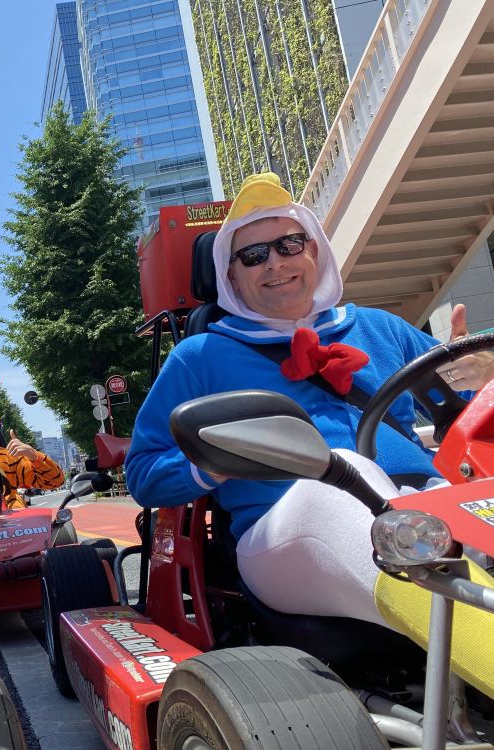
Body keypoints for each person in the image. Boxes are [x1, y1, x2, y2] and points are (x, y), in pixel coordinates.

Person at [125, 172, 494, 696]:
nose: (274, 263)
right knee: (343, 478)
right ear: (231, 275)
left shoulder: (380, 328)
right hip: (284, 530)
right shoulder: (199, 357)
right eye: (253, 255)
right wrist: (213, 463)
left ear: (313, 251)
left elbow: (462, 410)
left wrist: (481, 380)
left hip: (425, 506)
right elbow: (143, 473)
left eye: (288, 244)